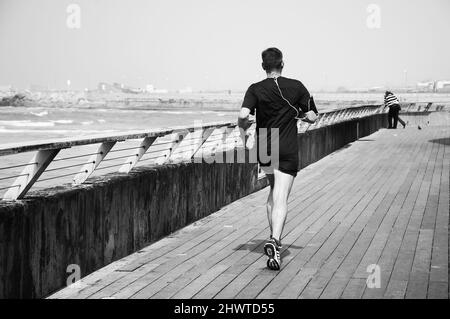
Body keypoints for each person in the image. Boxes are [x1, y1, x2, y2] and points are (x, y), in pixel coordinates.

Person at [237, 48, 311, 270]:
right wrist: (298, 114)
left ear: (263, 67)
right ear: (283, 64)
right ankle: (275, 241)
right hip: (286, 146)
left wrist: (244, 127)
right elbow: (313, 115)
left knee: (272, 191)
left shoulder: (255, 88)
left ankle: (273, 244)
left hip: (265, 146)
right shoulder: (297, 86)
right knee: (281, 195)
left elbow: (243, 115)